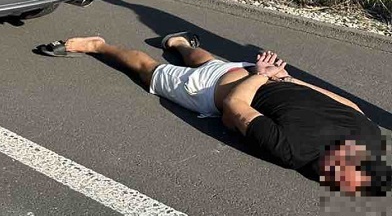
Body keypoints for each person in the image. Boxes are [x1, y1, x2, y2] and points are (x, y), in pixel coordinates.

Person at [58, 33, 391, 197]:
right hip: (213, 89)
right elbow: (234, 104)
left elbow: (345, 103)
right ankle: (99, 46)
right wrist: (262, 75)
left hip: (255, 74)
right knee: (149, 71)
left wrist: (283, 77)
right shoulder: (294, 152)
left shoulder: (369, 131)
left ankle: (178, 41)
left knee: (208, 62)